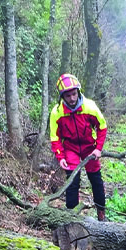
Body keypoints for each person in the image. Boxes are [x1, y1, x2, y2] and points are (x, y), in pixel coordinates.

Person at [49, 73, 108, 221]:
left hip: (90, 147)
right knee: (72, 182)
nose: (72, 98)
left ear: (78, 92)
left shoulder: (90, 106)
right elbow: (55, 137)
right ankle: (71, 216)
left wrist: (98, 148)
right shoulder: (57, 112)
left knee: (96, 180)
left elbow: (102, 127)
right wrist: (60, 156)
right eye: (68, 96)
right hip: (70, 149)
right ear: (62, 97)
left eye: (74, 94)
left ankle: (101, 213)